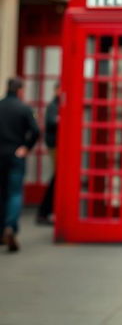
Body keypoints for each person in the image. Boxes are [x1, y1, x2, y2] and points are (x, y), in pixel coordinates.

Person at [0, 77, 40, 252]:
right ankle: (10, 227)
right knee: (14, 193)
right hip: (16, 154)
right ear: (20, 91)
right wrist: (26, 147)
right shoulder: (24, 109)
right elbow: (36, 131)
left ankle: (1, 231)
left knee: (1, 194)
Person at [36, 82, 60, 225]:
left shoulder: (59, 104)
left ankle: (47, 211)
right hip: (54, 146)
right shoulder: (53, 105)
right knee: (56, 178)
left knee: (57, 178)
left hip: (59, 146)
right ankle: (44, 211)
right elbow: (51, 122)